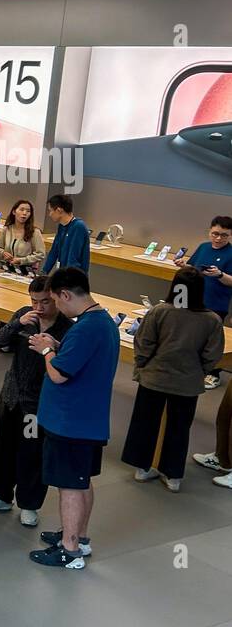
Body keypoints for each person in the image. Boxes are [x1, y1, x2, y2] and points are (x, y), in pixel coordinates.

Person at [28, 267, 120, 569]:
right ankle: (78, 535)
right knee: (81, 481)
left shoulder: (84, 329)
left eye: (56, 299)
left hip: (70, 421)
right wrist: (58, 347)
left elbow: (58, 375)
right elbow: (79, 359)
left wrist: (45, 351)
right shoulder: (102, 322)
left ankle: (69, 549)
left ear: (66, 295)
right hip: (88, 419)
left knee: (69, 484)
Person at [0, 275, 72, 527]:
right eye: (34, 301)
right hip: (10, 395)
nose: (39, 307)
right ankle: (1, 495)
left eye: (46, 302)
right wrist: (17, 323)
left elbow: (68, 366)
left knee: (31, 453)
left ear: (58, 299)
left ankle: (29, 504)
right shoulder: (24, 316)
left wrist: (54, 347)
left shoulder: (67, 328)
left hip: (37, 403)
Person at [121, 268, 225, 492]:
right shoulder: (211, 320)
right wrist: (198, 370)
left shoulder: (160, 312)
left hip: (154, 378)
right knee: (179, 428)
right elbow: (212, 354)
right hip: (187, 383)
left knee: (145, 423)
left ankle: (142, 467)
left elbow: (143, 343)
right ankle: (173, 475)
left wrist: (144, 364)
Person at [175, 215, 232, 390]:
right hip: (194, 299)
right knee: (190, 337)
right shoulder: (203, 247)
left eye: (224, 235)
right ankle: (189, 368)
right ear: (209, 231)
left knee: (212, 342)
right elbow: (194, 269)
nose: (219, 238)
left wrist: (220, 275)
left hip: (216, 303)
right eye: (215, 234)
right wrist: (183, 266)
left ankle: (213, 374)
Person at [41, 193, 90, 273]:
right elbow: (54, 251)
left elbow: (73, 258)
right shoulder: (62, 226)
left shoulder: (78, 226)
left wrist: (66, 279)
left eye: (50, 211)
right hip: (63, 273)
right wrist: (44, 272)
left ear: (59, 210)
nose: (50, 214)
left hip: (74, 278)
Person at [0, 199, 46, 271]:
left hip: (25, 271)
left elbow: (40, 254)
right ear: (14, 212)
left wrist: (21, 260)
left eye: (28, 211)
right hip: (6, 268)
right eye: (22, 210)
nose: (24, 213)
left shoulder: (35, 232)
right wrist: (3, 253)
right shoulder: (6, 229)